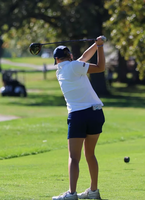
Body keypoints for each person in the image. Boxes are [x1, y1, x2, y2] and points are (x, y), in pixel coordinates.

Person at [52, 36, 105, 200]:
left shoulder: (60, 70)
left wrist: (96, 45)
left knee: (74, 157)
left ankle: (72, 194)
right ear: (70, 56)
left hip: (78, 115)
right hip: (96, 113)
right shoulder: (75, 66)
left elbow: (83, 59)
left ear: (56, 59)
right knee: (90, 154)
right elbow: (100, 67)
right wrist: (100, 46)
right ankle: (94, 191)